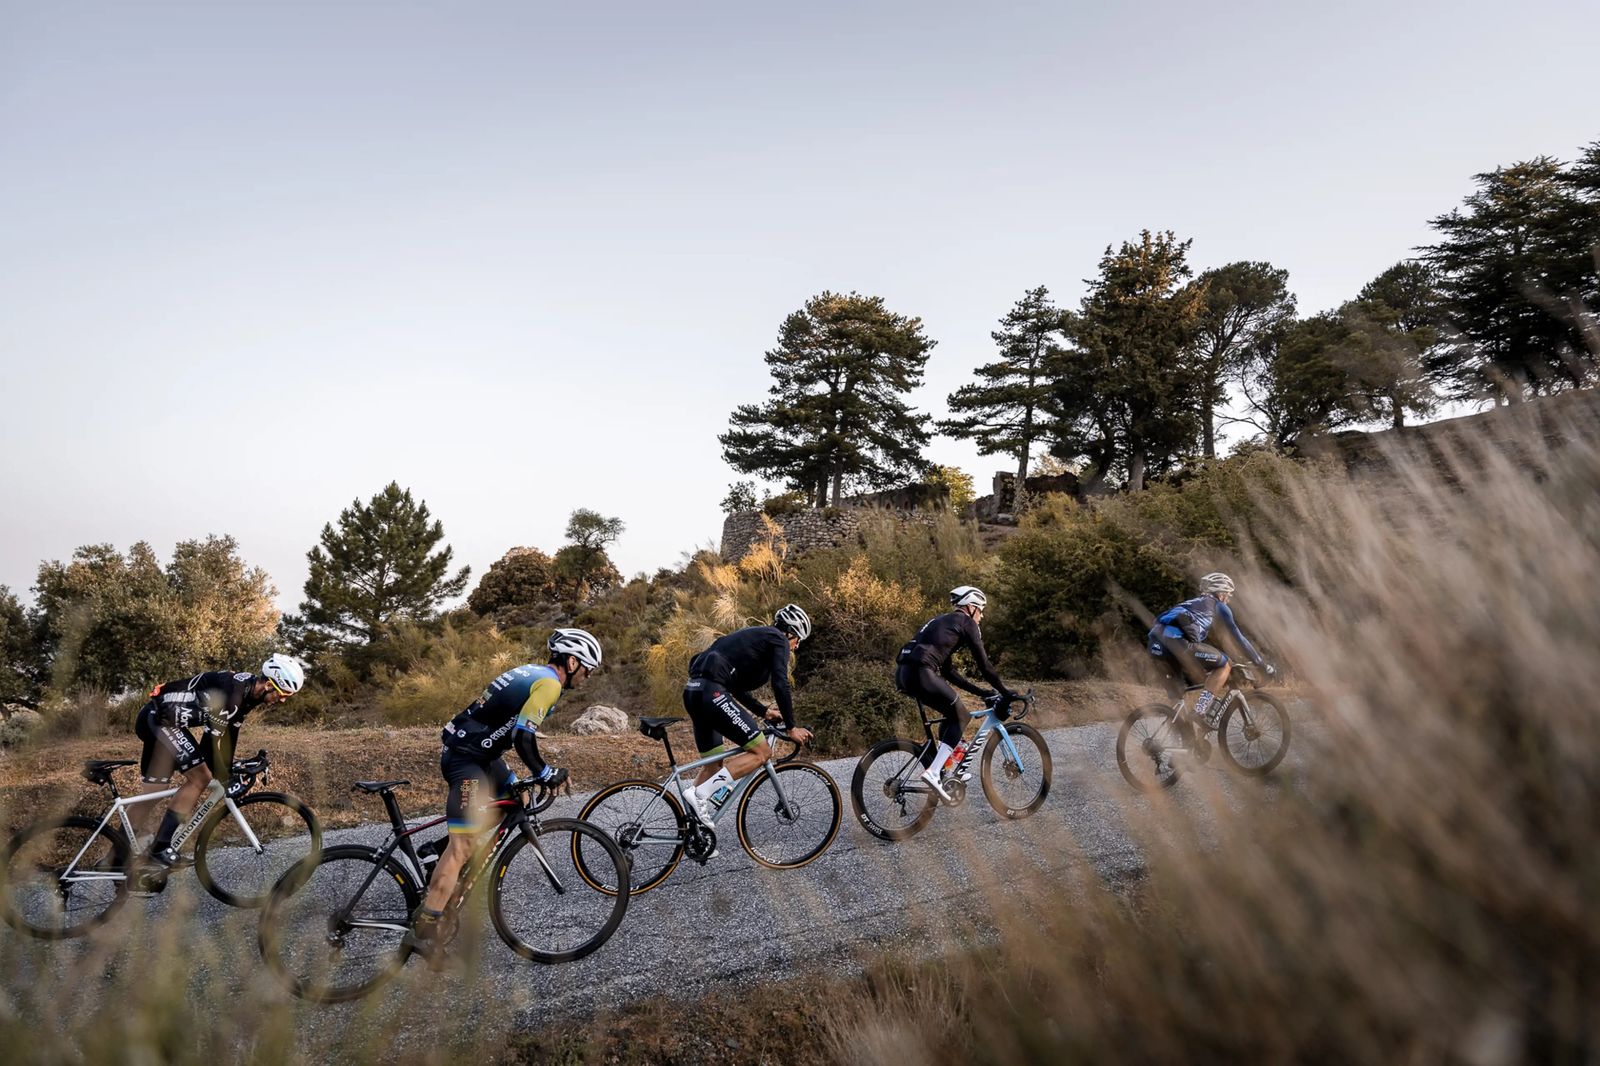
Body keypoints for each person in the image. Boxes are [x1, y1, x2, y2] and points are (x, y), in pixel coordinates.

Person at [406, 627, 601, 959]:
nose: (587, 676)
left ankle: (434, 851)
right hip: (466, 759)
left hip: (479, 753)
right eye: (587, 668)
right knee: (463, 846)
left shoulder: (534, 673)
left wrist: (536, 775)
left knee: (518, 799)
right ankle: (425, 929)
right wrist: (545, 772)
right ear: (571, 662)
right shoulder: (549, 684)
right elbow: (523, 737)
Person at [134, 653, 305, 870]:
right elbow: (211, 745)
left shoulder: (248, 694)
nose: (282, 700)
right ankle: (160, 849)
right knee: (200, 777)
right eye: (282, 694)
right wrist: (226, 777)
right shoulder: (233, 695)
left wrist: (233, 766)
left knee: (152, 792)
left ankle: (116, 857)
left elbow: (230, 734)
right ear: (269, 685)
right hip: (158, 720)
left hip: (161, 720)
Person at [681, 604, 815, 823]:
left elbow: (734, 687)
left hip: (693, 691)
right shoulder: (778, 639)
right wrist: (791, 727)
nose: (796, 646)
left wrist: (763, 711)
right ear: (790, 632)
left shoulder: (757, 638)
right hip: (711, 692)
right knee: (761, 752)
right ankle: (701, 795)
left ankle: (691, 828)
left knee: (713, 766)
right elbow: (781, 683)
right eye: (797, 639)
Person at [894, 586, 1017, 801]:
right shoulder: (966, 623)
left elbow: (949, 672)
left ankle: (942, 769)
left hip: (905, 673)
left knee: (951, 713)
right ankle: (933, 773)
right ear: (970, 608)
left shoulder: (944, 622)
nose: (981, 616)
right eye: (980, 610)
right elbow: (985, 667)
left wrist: (981, 691)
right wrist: (1005, 692)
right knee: (962, 715)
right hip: (921, 672)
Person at [1146, 572, 1274, 728]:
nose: (1228, 599)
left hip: (1155, 648)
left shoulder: (1191, 604)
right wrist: (1260, 663)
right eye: (1228, 594)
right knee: (1224, 664)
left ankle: (1183, 744)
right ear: (1220, 593)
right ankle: (1200, 710)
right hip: (1178, 645)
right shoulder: (1218, 605)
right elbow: (1239, 638)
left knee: (1178, 701)